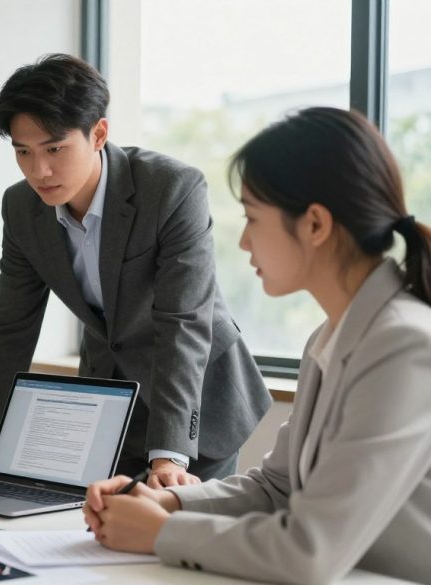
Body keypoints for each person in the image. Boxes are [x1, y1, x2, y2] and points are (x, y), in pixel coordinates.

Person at [84, 107, 431, 585]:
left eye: (252, 218)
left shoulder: (406, 347)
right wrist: (166, 499)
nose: (244, 242)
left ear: (315, 225)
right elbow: (277, 487)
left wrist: (163, 532)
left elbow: (311, 550)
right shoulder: (329, 338)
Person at [0, 53, 271, 486]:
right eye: (23, 152)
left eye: (54, 148)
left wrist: (170, 457)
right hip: (107, 405)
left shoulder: (172, 189)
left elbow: (184, 322)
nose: (38, 170)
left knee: (178, 539)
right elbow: (12, 325)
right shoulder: (22, 207)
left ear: (98, 133)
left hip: (196, 402)